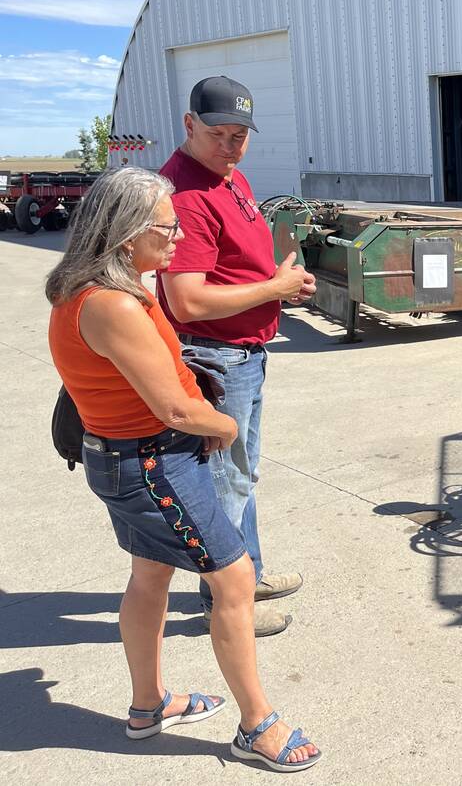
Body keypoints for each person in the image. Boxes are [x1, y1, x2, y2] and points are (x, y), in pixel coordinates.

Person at [46, 167, 321, 771]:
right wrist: (223, 427)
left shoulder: (87, 289)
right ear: (126, 234)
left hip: (126, 460)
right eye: (166, 229)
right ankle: (257, 724)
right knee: (233, 579)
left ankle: (149, 707)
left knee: (151, 578)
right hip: (152, 463)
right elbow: (170, 406)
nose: (176, 241)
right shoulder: (113, 302)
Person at [157, 76, 315, 637]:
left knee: (240, 475)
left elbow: (237, 267)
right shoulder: (186, 195)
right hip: (216, 358)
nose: (231, 146)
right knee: (222, 485)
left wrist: (281, 281)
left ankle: (249, 574)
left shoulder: (229, 177)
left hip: (245, 353)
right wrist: (272, 290)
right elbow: (189, 299)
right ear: (189, 124)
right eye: (219, 134)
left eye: (240, 135)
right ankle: (226, 608)